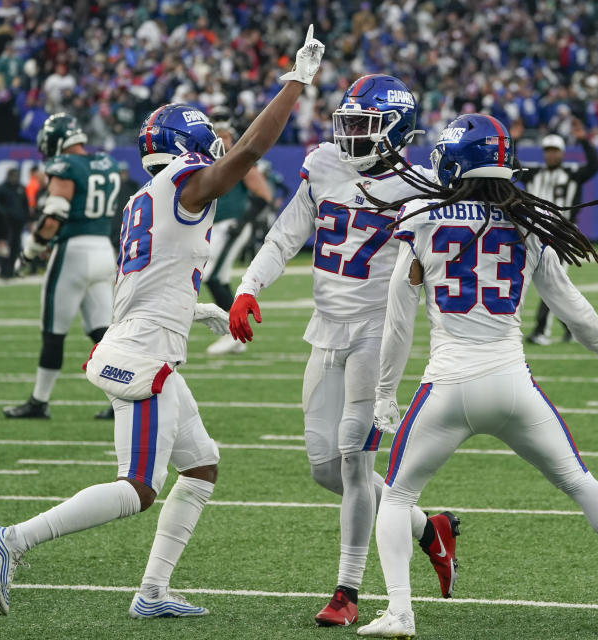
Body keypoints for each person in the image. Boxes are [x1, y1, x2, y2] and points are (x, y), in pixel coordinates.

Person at [0, 25, 327, 618]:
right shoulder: (185, 187)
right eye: (207, 137)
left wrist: (202, 308)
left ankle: (153, 593)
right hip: (144, 355)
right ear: (188, 142)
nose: (218, 144)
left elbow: (151, 281)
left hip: (145, 339)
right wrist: (294, 84)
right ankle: (11, 540)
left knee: (202, 465)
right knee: (138, 487)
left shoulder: (149, 196)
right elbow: (247, 153)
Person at [355, 114, 598, 638]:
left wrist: (385, 393)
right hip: (513, 384)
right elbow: (570, 304)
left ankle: (399, 612)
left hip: (448, 384)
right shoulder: (525, 218)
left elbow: (400, 318)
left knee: (396, 498)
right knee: (578, 480)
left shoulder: (421, 214)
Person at [228, 74, 461, 628]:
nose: (352, 133)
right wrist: (247, 286)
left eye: (365, 125)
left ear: (397, 131)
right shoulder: (325, 164)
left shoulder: (423, 185)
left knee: (356, 465)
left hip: (377, 336)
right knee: (323, 468)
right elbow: (286, 234)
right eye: (349, 122)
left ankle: (347, 591)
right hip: (325, 328)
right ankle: (430, 528)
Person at [2, 113, 121, 420]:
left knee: (54, 333)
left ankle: (39, 402)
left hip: (73, 252)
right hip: (103, 252)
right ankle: (124, 396)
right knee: (102, 332)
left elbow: (53, 216)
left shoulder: (65, 166)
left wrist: (29, 253)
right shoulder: (106, 163)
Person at [517, 118, 598, 345]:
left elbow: (594, 166)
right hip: (535, 233)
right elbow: (510, 166)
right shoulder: (535, 173)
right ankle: (573, 328)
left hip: (561, 235)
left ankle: (542, 331)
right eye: (547, 151)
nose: (551, 155)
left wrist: (583, 140)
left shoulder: (572, 174)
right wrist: (513, 140)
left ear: (562, 153)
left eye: (555, 151)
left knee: (551, 283)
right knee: (554, 285)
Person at [203, 106, 274, 356]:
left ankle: (231, 334)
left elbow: (264, 195)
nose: (222, 140)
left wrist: (242, 222)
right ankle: (237, 335)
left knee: (210, 277)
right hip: (218, 226)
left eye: (225, 134)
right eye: (217, 134)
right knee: (218, 278)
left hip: (232, 226)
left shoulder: (238, 156)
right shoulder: (208, 158)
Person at [0, 168, 30, 278]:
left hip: (18, 223)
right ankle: (3, 270)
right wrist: (4, 214)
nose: (15, 178)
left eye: (17, 176)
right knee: (5, 246)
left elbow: (25, 204)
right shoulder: (2, 189)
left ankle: (12, 270)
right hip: (5, 224)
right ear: (8, 176)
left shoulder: (21, 188)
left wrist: (26, 217)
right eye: (13, 175)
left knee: (15, 246)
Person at [109, 161, 142, 252]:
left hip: (127, 218)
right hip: (115, 219)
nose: (123, 174)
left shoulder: (133, 185)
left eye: (124, 172)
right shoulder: (112, 185)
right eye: (121, 172)